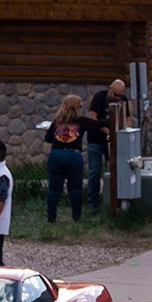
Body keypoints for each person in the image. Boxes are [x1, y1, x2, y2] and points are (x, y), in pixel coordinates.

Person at [86, 76, 129, 216]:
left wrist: (123, 131)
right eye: (116, 95)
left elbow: (128, 118)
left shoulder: (123, 100)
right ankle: (93, 204)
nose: (118, 98)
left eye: (120, 96)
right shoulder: (99, 98)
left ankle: (114, 201)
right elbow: (92, 117)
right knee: (94, 172)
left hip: (114, 141)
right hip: (96, 140)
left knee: (116, 170)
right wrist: (107, 131)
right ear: (110, 89)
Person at [44, 95, 89, 223]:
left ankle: (51, 218)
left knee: (53, 189)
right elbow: (96, 125)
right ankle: (76, 217)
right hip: (73, 155)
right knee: (75, 189)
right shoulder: (81, 121)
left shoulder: (56, 121)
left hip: (56, 154)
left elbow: (48, 139)